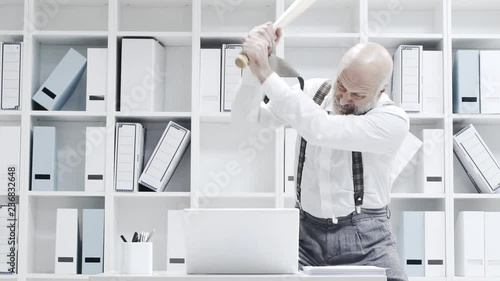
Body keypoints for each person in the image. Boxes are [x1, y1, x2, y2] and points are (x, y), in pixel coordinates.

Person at [232, 22, 411, 281]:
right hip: (304, 239)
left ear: (380, 91)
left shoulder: (393, 120)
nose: (344, 98)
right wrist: (253, 68)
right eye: (341, 85)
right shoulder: (313, 92)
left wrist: (266, 73)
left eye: (358, 94)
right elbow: (245, 124)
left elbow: (322, 129)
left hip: (368, 242)